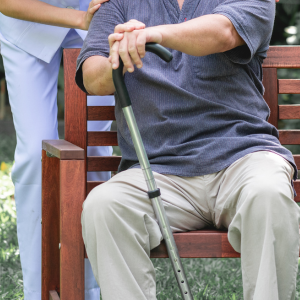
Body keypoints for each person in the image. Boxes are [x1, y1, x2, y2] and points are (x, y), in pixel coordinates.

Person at [75, 0, 300, 299]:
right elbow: (93, 78)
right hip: (157, 172)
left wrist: (151, 35)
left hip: (243, 158)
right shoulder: (118, 3)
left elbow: (223, 32)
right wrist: (118, 56)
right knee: (104, 206)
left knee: (269, 194)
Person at [0, 1, 142, 299]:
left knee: (96, 152)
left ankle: (89, 290)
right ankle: (37, 291)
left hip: (100, 19)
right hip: (27, 23)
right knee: (34, 155)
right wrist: (80, 18)